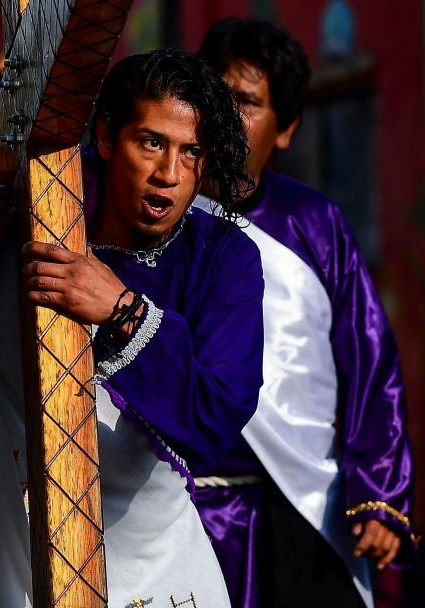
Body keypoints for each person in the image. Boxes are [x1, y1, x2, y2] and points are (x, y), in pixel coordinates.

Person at [0, 49, 264, 607]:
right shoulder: (29, 229)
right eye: (152, 142)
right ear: (109, 140)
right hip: (10, 556)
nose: (170, 174)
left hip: (156, 565)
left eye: (193, 153)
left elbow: (216, 417)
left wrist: (122, 311)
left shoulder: (224, 256)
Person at [192, 18, 415, 608]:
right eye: (215, 97)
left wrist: (380, 491)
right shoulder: (150, 209)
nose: (227, 117)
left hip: (302, 504)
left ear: (285, 128)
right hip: (179, 512)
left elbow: (371, 362)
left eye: (247, 102)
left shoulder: (315, 224)